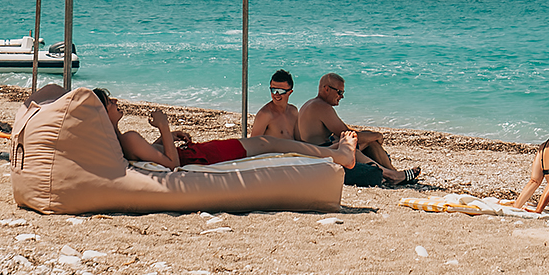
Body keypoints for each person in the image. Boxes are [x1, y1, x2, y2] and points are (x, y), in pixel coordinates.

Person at [93, 88, 358, 171]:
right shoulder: (127, 137)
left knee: (275, 145)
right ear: (104, 112)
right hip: (202, 157)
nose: (115, 102)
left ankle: (331, 151)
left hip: (200, 153)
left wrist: (167, 137)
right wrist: (164, 126)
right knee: (274, 144)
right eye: (109, 101)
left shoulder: (125, 140)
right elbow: (172, 164)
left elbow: (152, 154)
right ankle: (340, 155)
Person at [296, 73, 417, 186]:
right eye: (339, 92)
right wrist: (377, 135)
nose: (342, 96)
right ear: (326, 89)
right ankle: (392, 175)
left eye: (342, 92)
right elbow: (348, 135)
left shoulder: (312, 104)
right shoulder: (321, 106)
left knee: (368, 142)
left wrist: (371, 136)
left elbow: (346, 131)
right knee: (350, 147)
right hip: (320, 154)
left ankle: (394, 173)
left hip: (322, 148)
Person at [248, 70, 302, 140]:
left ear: (290, 92)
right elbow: (253, 143)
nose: (276, 94)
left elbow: (298, 140)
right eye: (273, 90)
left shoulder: (293, 111)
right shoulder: (265, 114)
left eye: (281, 91)